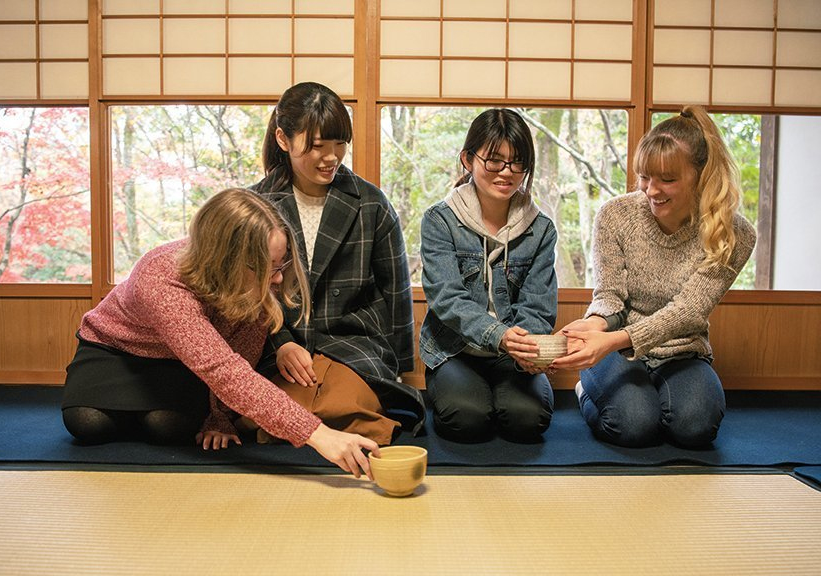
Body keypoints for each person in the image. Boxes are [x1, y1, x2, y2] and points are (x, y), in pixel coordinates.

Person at [61, 188, 381, 479]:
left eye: (279, 264)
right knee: (87, 423)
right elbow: (221, 369)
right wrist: (320, 435)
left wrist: (220, 415)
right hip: (113, 350)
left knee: (170, 427)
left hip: (182, 363)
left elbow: (237, 354)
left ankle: (153, 411)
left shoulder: (251, 282)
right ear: (227, 261)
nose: (279, 279)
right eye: (268, 266)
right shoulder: (159, 278)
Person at [550, 105, 757, 448]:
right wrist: (597, 327)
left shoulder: (733, 233)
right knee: (632, 427)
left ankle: (653, 399)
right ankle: (588, 388)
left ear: (700, 175)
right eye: (645, 176)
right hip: (612, 350)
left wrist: (618, 338)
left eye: (668, 179)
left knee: (696, 429)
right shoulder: (616, 215)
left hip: (681, 351)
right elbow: (609, 296)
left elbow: (689, 310)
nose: (651, 190)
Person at [249, 82, 426, 444]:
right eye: (317, 146)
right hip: (280, 347)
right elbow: (247, 292)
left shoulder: (371, 203)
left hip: (355, 345)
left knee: (335, 405)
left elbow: (396, 289)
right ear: (283, 139)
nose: (331, 157)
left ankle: (303, 427)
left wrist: (401, 369)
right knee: (277, 406)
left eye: (339, 144)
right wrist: (280, 342)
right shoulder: (255, 203)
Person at [418, 108, 558, 443]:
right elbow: (447, 298)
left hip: (514, 357)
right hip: (455, 350)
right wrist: (499, 335)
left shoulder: (540, 229)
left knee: (527, 422)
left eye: (517, 161)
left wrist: (529, 351)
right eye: (494, 160)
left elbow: (539, 305)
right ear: (468, 159)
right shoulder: (441, 220)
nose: (506, 172)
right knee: (467, 420)